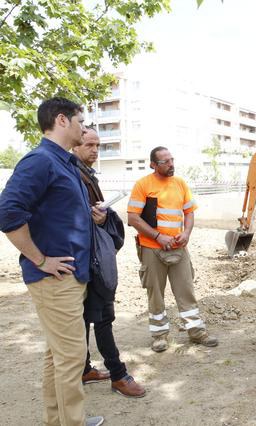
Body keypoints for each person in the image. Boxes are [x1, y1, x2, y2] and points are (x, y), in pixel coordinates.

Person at [0, 97, 104, 426]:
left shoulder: (65, 163)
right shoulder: (40, 161)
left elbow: (57, 213)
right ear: (62, 120)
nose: (84, 129)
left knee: (57, 354)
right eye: (81, 122)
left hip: (71, 276)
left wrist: (90, 215)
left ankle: (57, 420)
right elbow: (8, 213)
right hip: (54, 279)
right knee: (72, 356)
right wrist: (40, 259)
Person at [73, 128, 146, 398]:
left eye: (98, 145)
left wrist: (102, 217)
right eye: (89, 145)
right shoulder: (72, 174)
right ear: (74, 144)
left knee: (89, 317)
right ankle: (118, 375)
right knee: (102, 317)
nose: (95, 150)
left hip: (89, 257)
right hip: (83, 260)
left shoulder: (85, 174)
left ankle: (84, 369)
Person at [127, 147, 218, 352]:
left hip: (178, 248)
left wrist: (186, 233)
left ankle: (197, 332)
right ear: (153, 165)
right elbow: (132, 218)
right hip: (151, 248)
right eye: (165, 162)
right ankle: (160, 336)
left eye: (172, 160)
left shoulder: (180, 184)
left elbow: (189, 212)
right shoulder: (143, 185)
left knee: (186, 290)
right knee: (155, 293)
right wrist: (158, 236)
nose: (171, 164)